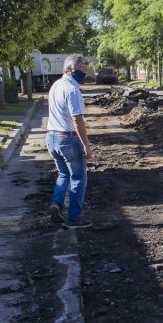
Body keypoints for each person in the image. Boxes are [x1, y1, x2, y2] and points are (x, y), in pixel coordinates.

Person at [46, 54, 93, 228]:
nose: (84, 74)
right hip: (68, 139)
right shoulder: (72, 90)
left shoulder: (56, 85)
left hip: (52, 136)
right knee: (79, 178)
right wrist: (86, 145)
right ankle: (74, 219)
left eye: (86, 71)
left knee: (64, 174)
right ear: (68, 69)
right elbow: (77, 120)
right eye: (81, 70)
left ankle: (56, 203)